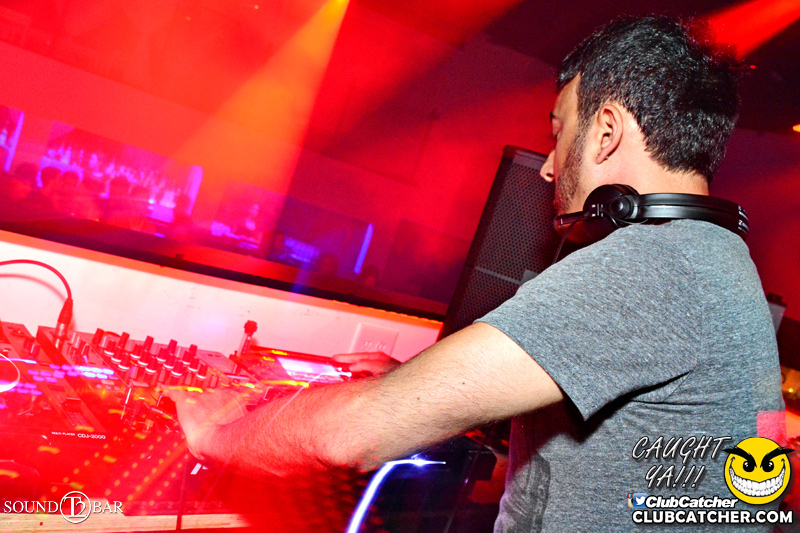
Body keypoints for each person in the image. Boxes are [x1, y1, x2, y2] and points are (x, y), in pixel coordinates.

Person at [167, 16, 783, 531]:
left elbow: (354, 434)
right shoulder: (707, 257)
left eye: (559, 132)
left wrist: (214, 436)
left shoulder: (650, 267)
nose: (549, 166)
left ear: (605, 132)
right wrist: (415, 383)